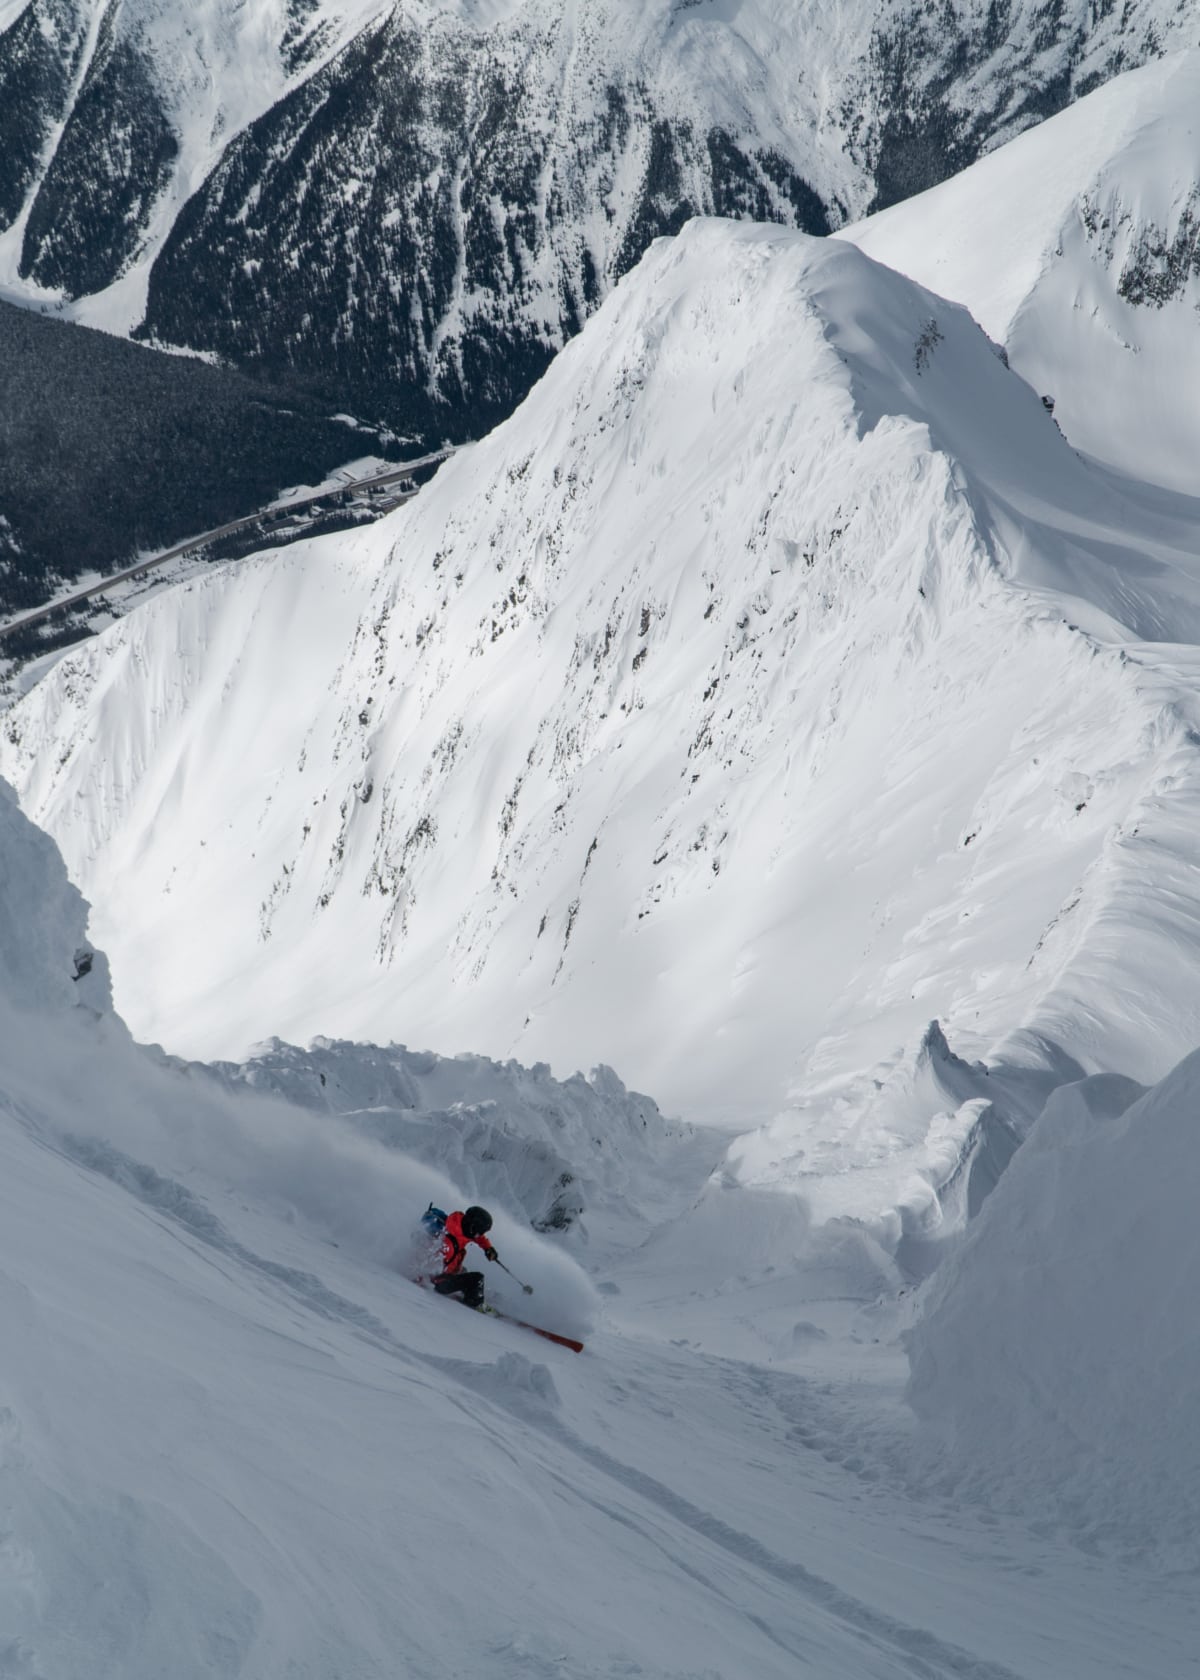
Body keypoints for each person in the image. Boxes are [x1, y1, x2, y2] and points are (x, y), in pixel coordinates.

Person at [432, 1206, 498, 1310]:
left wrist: (488, 1248)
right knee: (476, 1278)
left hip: (448, 1270)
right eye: (479, 1232)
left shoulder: (461, 1226)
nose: (479, 1235)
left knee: (466, 1274)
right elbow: (436, 1267)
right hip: (439, 1282)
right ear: (472, 1227)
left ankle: (477, 1294)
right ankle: (475, 1303)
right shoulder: (447, 1241)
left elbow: (479, 1238)